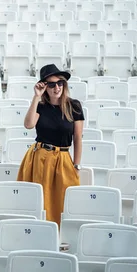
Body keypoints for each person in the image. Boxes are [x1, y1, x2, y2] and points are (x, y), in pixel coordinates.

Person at [17, 64, 84, 226]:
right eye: (51, 84)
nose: (57, 88)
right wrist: (36, 97)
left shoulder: (74, 105)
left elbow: (78, 137)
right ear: (44, 86)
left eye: (60, 83)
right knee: (39, 201)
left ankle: (60, 237)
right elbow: (28, 125)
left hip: (62, 158)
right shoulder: (40, 105)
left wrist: (76, 165)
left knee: (62, 200)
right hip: (39, 157)